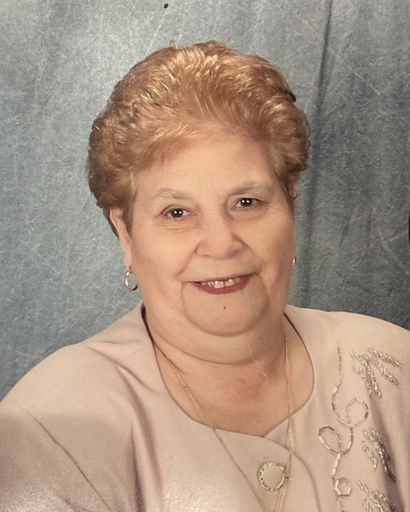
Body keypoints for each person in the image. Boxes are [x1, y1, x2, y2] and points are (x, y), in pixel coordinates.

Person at [0, 41, 408, 512]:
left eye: (247, 202)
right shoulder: (49, 428)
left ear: (291, 204)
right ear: (126, 232)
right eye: (177, 212)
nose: (221, 243)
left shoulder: (392, 366)